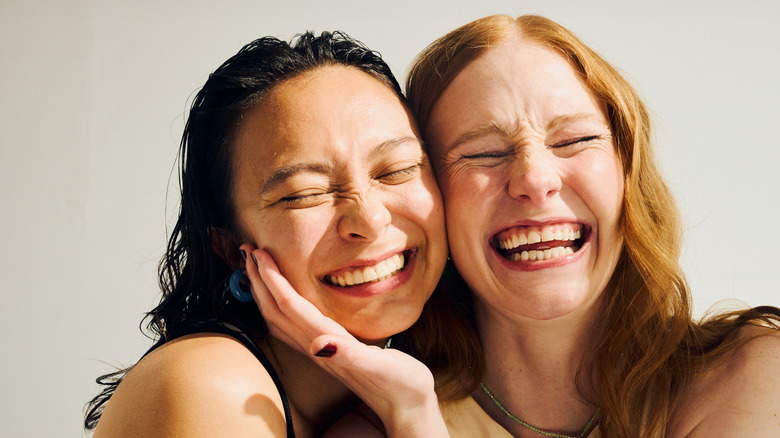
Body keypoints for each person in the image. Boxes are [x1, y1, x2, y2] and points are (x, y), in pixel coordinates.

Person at [245, 13, 780, 438]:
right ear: (431, 199)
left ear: (626, 172)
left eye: (574, 140)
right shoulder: (383, 425)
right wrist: (414, 418)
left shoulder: (754, 379)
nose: (535, 178)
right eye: (485, 153)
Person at [83, 30, 450, 437]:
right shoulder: (212, 386)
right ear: (231, 249)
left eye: (396, 170)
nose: (370, 220)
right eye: (305, 194)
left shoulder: (411, 384)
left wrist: (412, 408)